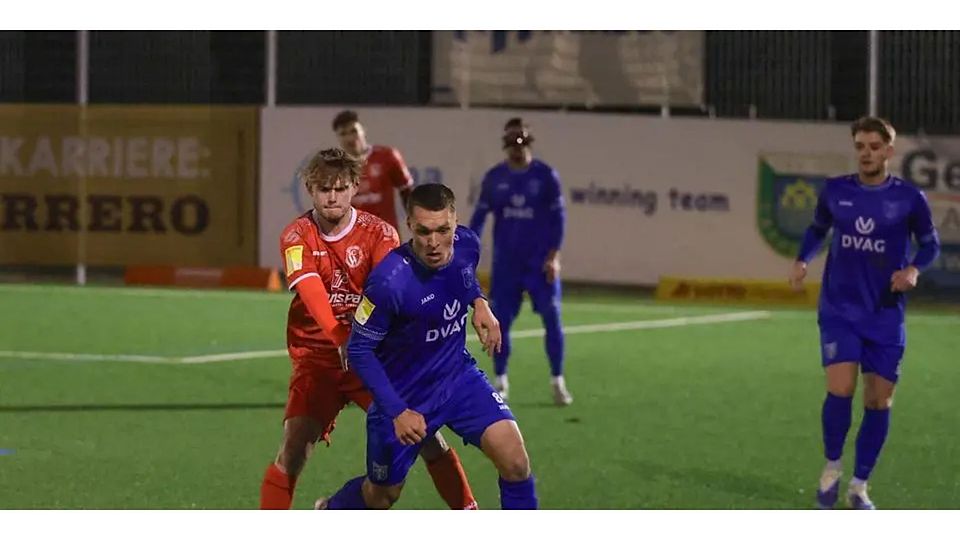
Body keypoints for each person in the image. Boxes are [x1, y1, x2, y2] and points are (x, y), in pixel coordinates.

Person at [259, 148, 477, 510]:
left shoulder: (379, 234)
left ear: (355, 188)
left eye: (340, 188)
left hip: (374, 360)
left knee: (427, 437)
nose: (332, 196)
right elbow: (311, 290)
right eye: (324, 189)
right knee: (294, 448)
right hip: (318, 360)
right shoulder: (296, 236)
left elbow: (393, 289)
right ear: (310, 189)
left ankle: (470, 513)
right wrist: (339, 335)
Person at [317, 183, 538, 510]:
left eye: (442, 230)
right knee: (382, 495)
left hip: (457, 378)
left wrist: (479, 302)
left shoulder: (467, 244)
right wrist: (397, 411)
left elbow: (463, 276)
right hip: (405, 395)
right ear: (409, 226)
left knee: (516, 463)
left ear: (454, 222)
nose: (434, 242)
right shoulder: (388, 282)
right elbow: (360, 351)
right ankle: (330, 511)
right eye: (423, 232)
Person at [789, 116, 940, 510]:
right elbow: (817, 228)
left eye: (875, 147)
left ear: (889, 151)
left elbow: (929, 245)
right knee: (840, 389)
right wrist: (803, 258)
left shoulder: (909, 198)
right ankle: (832, 467)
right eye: (860, 146)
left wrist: (913, 269)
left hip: (885, 314)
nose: (867, 153)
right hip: (839, 307)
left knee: (878, 401)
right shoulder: (836, 191)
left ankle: (859, 486)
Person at [468, 117, 571, 406]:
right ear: (505, 146)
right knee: (500, 322)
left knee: (553, 318)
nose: (518, 148)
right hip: (507, 265)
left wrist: (554, 256)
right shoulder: (494, 178)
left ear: (530, 143)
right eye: (512, 143)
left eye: (522, 142)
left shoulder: (546, 176)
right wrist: (466, 252)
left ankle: (557, 380)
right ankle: (500, 380)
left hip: (539, 264)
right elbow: (479, 219)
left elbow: (558, 219)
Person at [333, 109, 414, 230]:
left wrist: (414, 221)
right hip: (352, 239)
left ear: (363, 131)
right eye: (343, 134)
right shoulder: (334, 166)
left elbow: (406, 191)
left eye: (354, 131)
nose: (350, 138)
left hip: (386, 234)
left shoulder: (387, 156)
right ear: (338, 137)